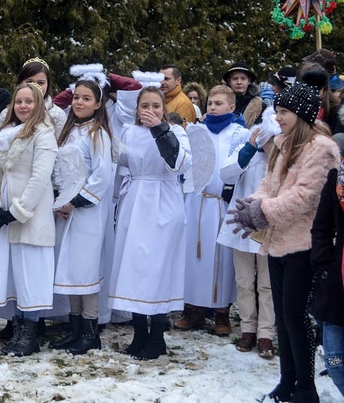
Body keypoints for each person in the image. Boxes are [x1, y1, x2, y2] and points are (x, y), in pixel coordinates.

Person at [228, 82, 340, 403]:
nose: (278, 118)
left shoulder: (321, 148)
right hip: (276, 242)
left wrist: (262, 211)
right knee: (283, 316)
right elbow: (268, 184)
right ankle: (287, 381)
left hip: (303, 245)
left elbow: (305, 197)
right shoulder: (284, 142)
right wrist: (254, 205)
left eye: (284, 112)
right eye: (276, 111)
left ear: (302, 113)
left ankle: (306, 389)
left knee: (295, 316)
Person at [108, 86, 192, 359]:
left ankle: (157, 336)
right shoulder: (130, 133)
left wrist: (160, 130)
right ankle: (139, 333)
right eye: (145, 105)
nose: (151, 111)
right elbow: (118, 163)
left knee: (157, 268)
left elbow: (179, 163)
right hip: (135, 202)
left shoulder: (175, 132)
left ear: (163, 108)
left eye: (156, 106)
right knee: (134, 267)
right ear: (137, 108)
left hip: (162, 203)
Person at [0, 82, 59, 357]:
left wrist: (17, 211)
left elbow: (40, 178)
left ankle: (30, 335)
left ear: (38, 104)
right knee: (13, 277)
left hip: (30, 217)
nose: (24, 106)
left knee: (31, 275)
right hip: (6, 218)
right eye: (19, 102)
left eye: (29, 102)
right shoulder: (5, 134)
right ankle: (17, 330)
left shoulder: (44, 134)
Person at [47, 80, 115, 355]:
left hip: (86, 213)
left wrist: (76, 202)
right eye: (76, 97)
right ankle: (74, 329)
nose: (79, 102)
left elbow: (102, 175)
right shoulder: (69, 131)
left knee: (86, 270)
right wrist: (59, 198)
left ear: (98, 104)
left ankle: (90, 330)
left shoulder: (98, 134)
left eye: (87, 98)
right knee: (71, 269)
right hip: (66, 211)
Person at [177, 85, 246, 336]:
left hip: (221, 202)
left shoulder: (239, 133)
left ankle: (221, 313)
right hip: (196, 201)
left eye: (219, 104)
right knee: (193, 256)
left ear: (232, 107)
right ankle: (193, 310)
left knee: (221, 259)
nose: (213, 108)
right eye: (210, 104)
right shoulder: (196, 131)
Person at [216, 108, 277, 358]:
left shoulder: (280, 156)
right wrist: (249, 148)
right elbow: (226, 173)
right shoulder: (245, 147)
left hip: (269, 225)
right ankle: (248, 328)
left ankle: (266, 333)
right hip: (240, 223)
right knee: (243, 282)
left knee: (267, 283)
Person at [310, 163, 344, 402]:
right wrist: (325, 264)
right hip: (338, 284)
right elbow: (321, 227)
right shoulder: (341, 176)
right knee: (336, 363)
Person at [0, 58, 67, 138]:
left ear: (48, 84)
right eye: (29, 82)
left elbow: (59, 146)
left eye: (40, 83)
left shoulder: (58, 115)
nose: (35, 86)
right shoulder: (6, 114)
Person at [223, 61, 264, 126]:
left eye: (243, 79)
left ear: (249, 81)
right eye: (235, 79)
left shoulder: (259, 105)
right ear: (229, 81)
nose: (239, 82)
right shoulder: (219, 101)